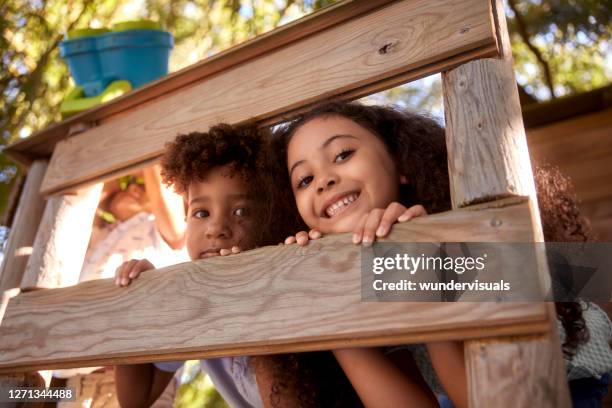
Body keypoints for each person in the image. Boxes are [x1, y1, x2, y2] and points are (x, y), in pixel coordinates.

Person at [269, 100, 612, 407]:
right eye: (304, 179)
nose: (323, 181)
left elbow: (493, 398)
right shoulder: (361, 275)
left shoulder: (462, 233)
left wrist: (424, 258)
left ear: (399, 162)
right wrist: (327, 309)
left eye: (343, 155)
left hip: (566, 379)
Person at [113, 123, 347, 408]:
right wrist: (137, 306)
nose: (216, 229)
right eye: (201, 212)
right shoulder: (189, 301)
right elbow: (134, 399)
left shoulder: (289, 276)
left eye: (240, 212)